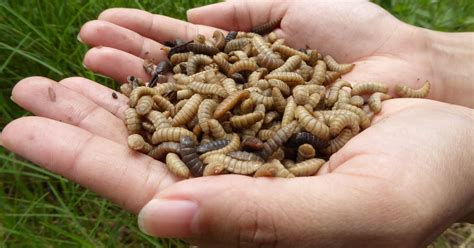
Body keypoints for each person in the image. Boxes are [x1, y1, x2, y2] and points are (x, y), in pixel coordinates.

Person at [0, 0, 472, 247]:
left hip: (273, 118)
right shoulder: (191, 104)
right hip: (222, 119)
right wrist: (437, 59)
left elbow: (287, 114)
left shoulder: (300, 103)